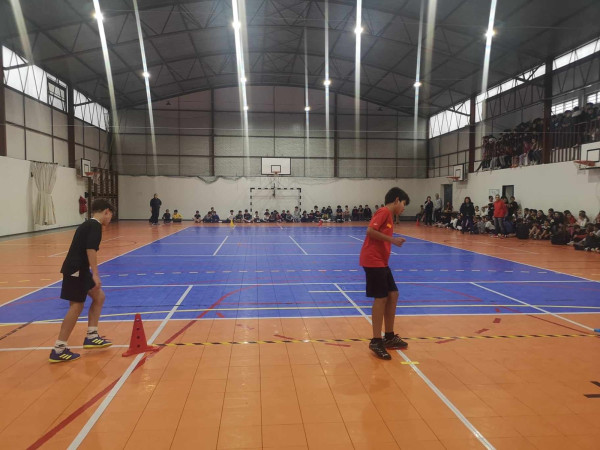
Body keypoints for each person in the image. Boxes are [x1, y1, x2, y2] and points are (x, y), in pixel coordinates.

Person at [49, 199, 114, 363]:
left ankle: (92, 336)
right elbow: (90, 249)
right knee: (76, 306)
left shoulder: (88, 225)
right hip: (76, 270)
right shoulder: (95, 225)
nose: (110, 219)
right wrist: (96, 274)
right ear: (106, 211)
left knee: (99, 296)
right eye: (110, 216)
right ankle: (59, 349)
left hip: (81, 270)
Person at [359, 187, 410, 360]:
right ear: (396, 200)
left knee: (393, 294)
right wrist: (392, 240)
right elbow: (370, 231)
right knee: (381, 298)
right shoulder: (384, 212)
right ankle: (376, 340)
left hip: (381, 261)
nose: (404, 208)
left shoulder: (390, 215)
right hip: (372, 260)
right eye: (403, 204)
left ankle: (389, 336)